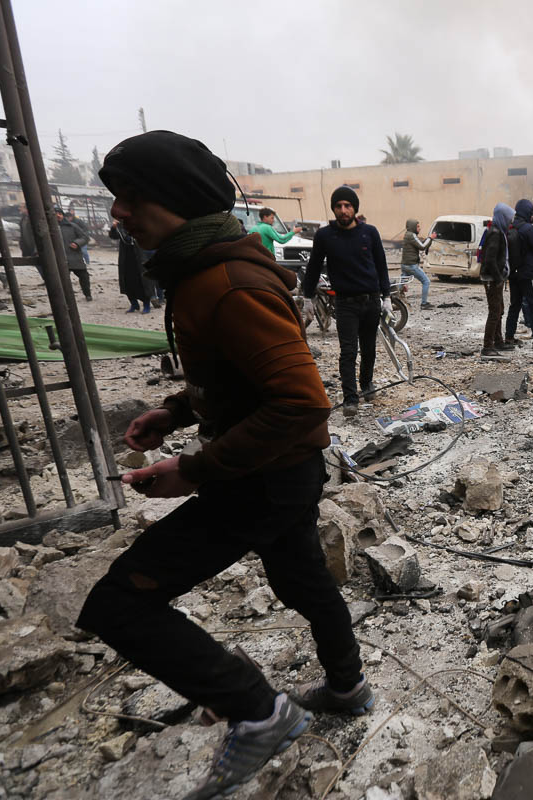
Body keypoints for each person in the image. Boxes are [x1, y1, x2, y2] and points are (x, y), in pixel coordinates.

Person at [82, 130, 370, 800]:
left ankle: (258, 711)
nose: (118, 212)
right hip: (278, 472)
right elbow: (235, 376)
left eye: (130, 197)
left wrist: (196, 469)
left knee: (120, 604)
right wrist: (178, 411)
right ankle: (348, 685)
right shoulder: (200, 271)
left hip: (262, 478)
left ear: (173, 199)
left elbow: (303, 404)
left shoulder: (227, 281)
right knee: (302, 584)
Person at [302, 186, 390, 417]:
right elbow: (313, 266)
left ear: (355, 209)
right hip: (346, 303)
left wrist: (387, 297)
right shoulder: (325, 236)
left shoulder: (369, 233)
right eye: (339, 206)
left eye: (347, 206)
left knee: (369, 348)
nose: (343, 210)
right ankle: (351, 398)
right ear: (333, 209)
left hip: (371, 301)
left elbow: (381, 265)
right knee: (348, 351)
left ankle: (367, 384)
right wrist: (307, 296)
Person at [503, 198, 533, 351]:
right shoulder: (529, 229)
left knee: (514, 306)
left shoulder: (511, 227)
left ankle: (509, 336)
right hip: (529, 274)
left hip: (514, 274)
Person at [480, 203, 514, 356]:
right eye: (509, 218)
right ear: (503, 217)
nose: (510, 221)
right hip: (492, 279)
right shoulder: (495, 233)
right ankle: (487, 346)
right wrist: (499, 278)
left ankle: (498, 341)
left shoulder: (498, 231)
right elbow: (490, 259)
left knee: (499, 310)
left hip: (495, 278)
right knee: (494, 312)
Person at [110, 219, 153, 313]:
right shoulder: (120, 227)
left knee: (143, 282)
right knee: (127, 282)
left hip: (139, 258)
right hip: (126, 260)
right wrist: (113, 227)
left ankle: (146, 305)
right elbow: (113, 236)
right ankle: (134, 304)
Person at [55, 206, 92, 300]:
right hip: (58, 259)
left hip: (74, 257)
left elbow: (85, 237)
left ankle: (87, 294)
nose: (58, 216)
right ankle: (65, 297)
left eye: (59, 213)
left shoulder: (72, 226)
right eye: (55, 214)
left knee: (84, 276)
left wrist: (77, 243)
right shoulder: (49, 228)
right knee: (61, 280)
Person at [400, 218, 435, 310]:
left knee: (401, 284)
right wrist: (430, 238)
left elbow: (419, 244)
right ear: (413, 227)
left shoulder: (407, 235)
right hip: (411, 265)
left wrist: (428, 240)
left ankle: (395, 301)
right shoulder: (412, 235)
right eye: (418, 226)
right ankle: (424, 304)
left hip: (404, 265)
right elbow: (422, 247)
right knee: (426, 281)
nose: (419, 228)